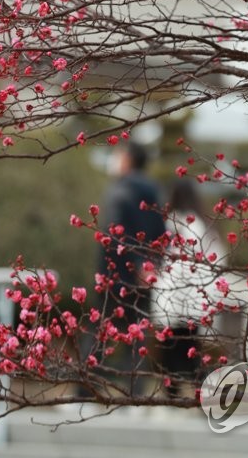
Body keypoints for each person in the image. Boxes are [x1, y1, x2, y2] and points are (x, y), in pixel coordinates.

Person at [95, 140, 166, 393]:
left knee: (99, 332)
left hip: (116, 275)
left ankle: (86, 389)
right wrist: (150, 265)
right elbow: (160, 233)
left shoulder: (121, 190)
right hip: (145, 276)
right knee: (137, 336)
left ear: (127, 159)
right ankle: (135, 394)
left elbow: (114, 234)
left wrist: (131, 264)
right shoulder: (154, 191)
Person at [151, 179, 223, 397]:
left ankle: (172, 395)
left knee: (170, 351)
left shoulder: (174, 224)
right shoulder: (202, 225)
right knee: (192, 352)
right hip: (195, 303)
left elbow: (173, 266)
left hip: (174, 302)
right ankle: (201, 393)